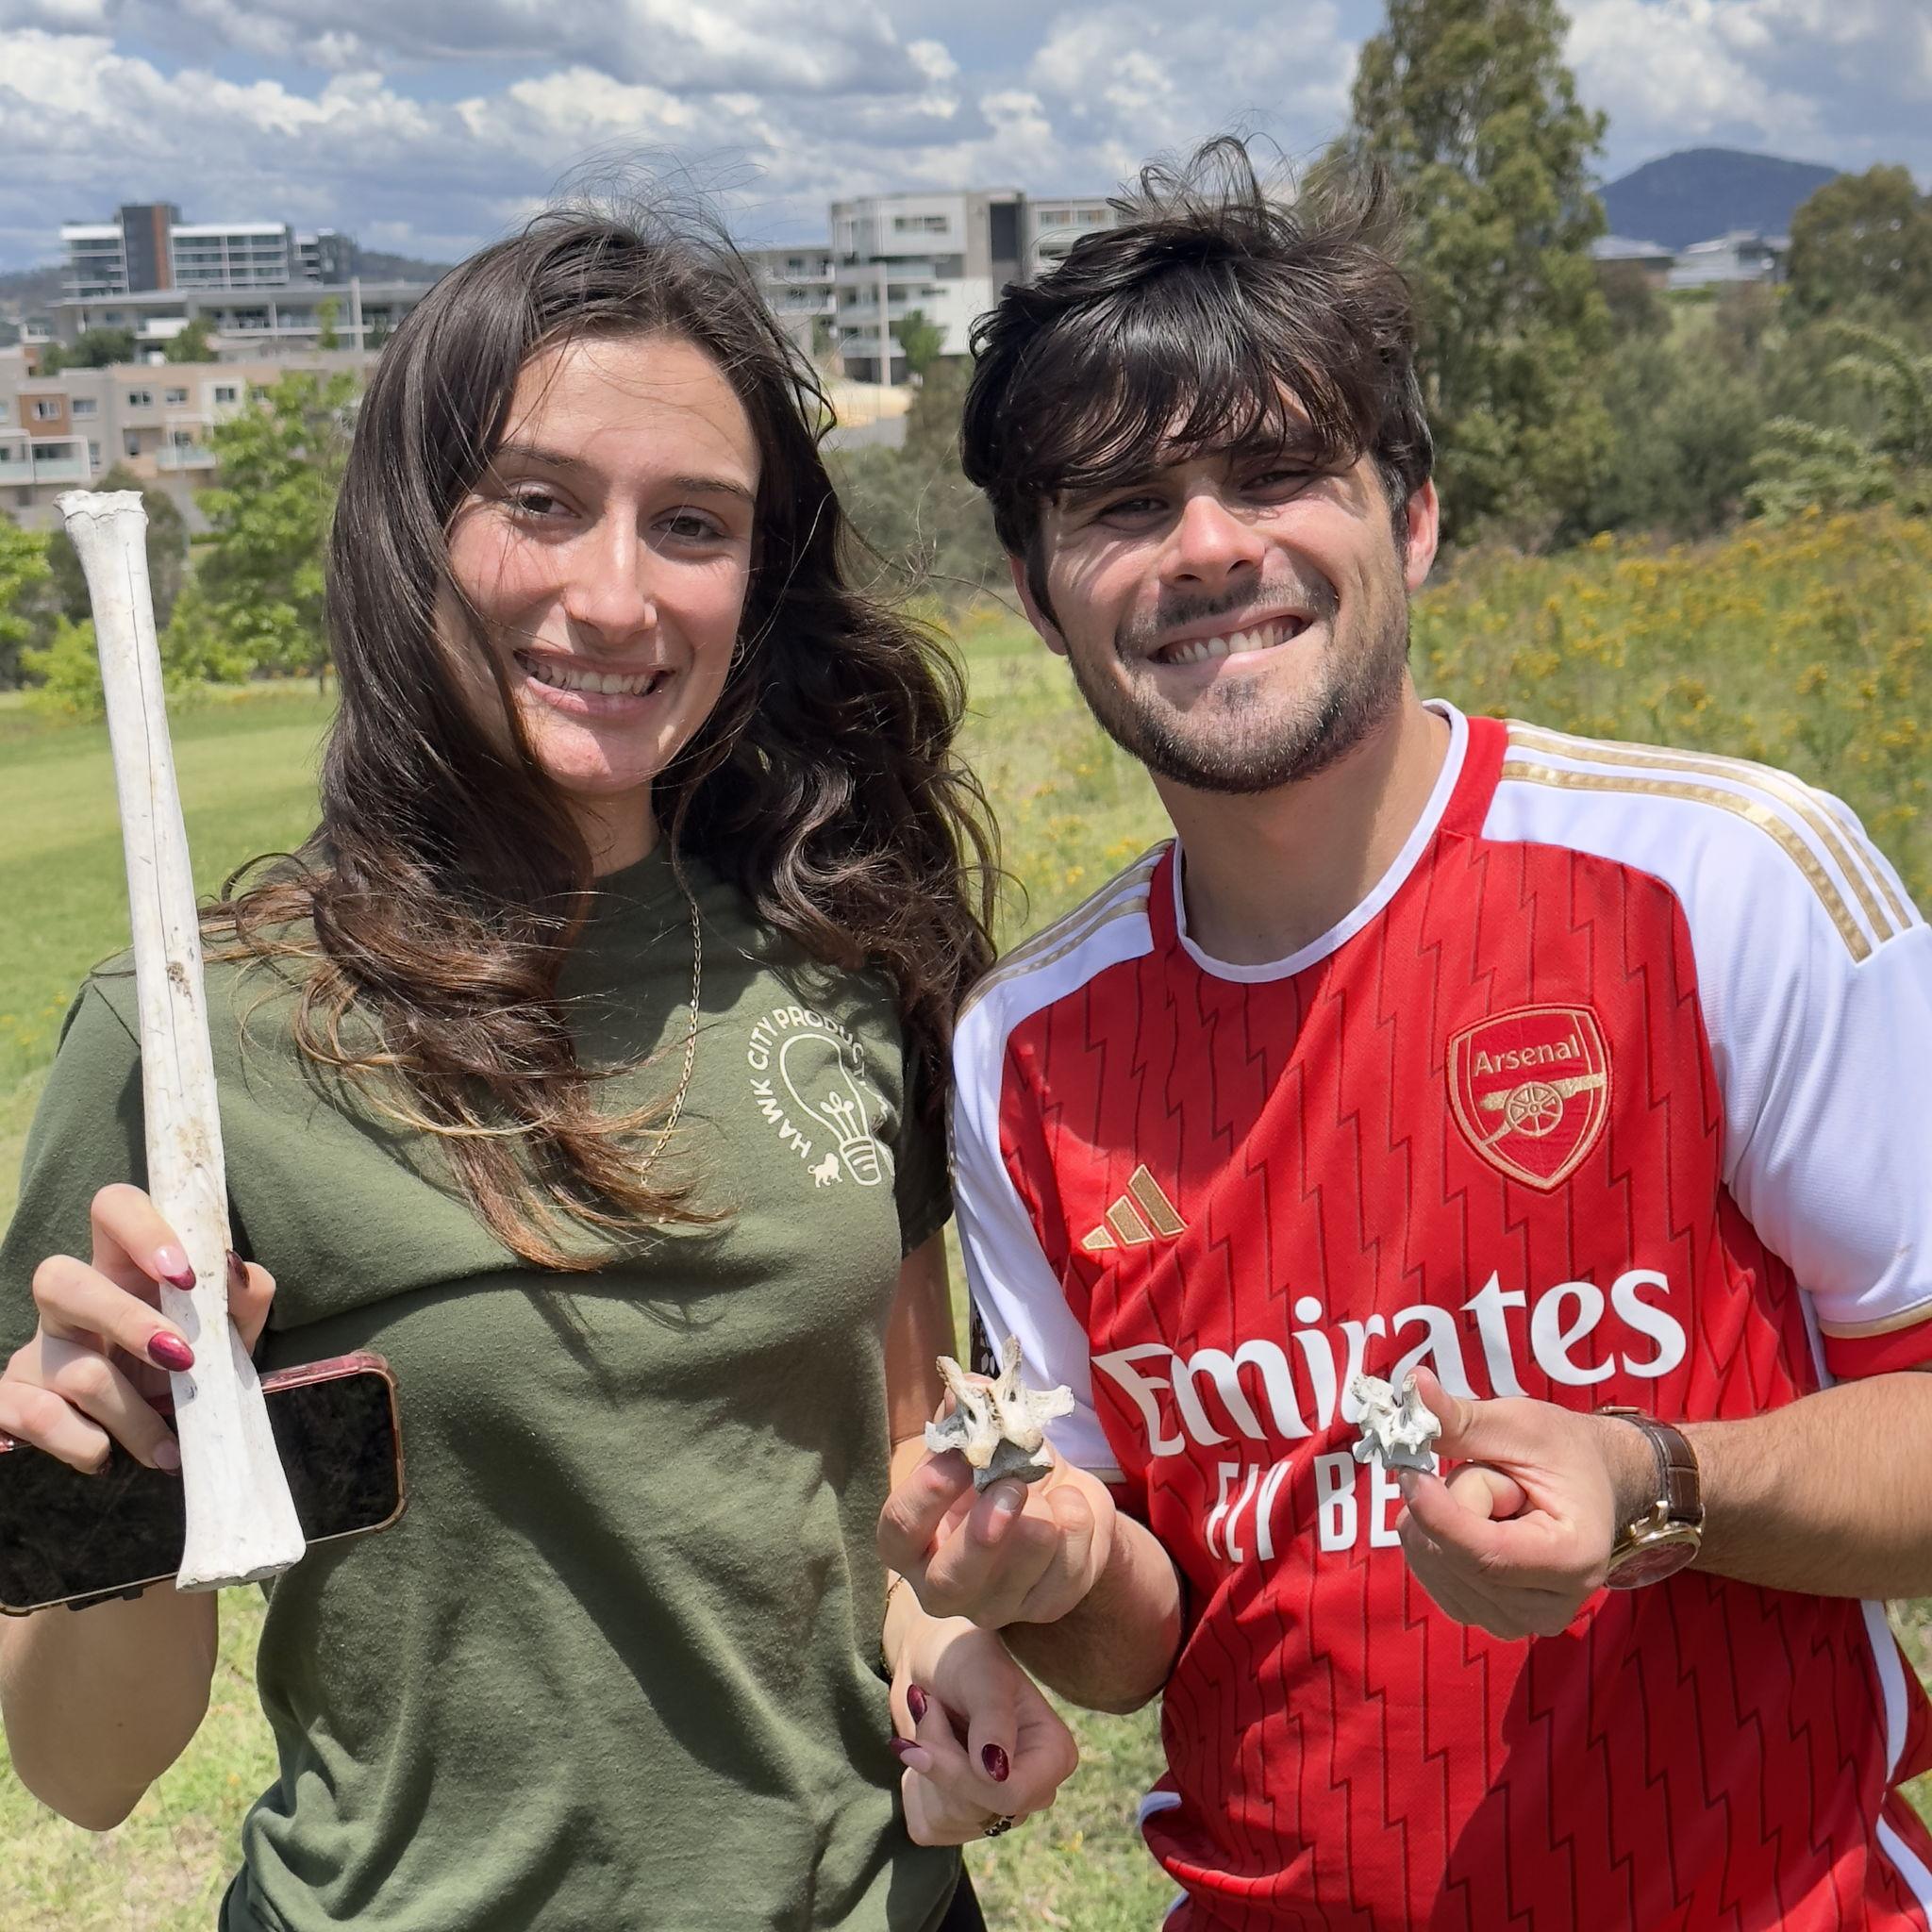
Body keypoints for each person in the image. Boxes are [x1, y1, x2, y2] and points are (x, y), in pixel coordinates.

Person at [877, 139, 1932, 1929]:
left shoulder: (1731, 878)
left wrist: (1654, 1484)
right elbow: (1145, 1641)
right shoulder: (1023, 1051)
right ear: (1038, 586)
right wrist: (1048, 1570)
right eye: (1123, 505)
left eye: (1279, 473)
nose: (1210, 546)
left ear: (1414, 511)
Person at [0, 201, 1075, 1931]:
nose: (618, 593)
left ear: (758, 578)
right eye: (541, 501)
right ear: (416, 526)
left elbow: (888, 1481)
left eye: (693, 526)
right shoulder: (202, 1040)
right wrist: (115, 1486)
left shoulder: (844, 966)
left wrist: (952, 1646)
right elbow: (85, 1774)